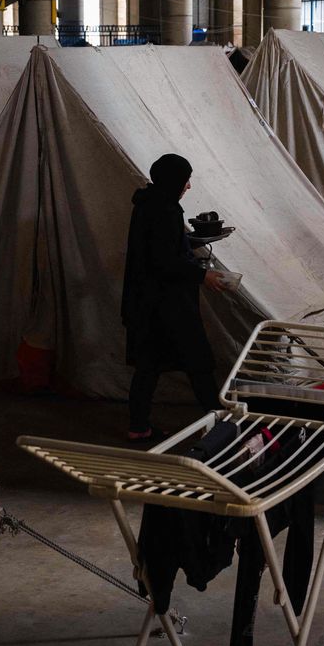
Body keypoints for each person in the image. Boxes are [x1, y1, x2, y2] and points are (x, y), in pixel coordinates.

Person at [121, 153, 226, 441]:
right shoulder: (165, 210)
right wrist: (203, 275)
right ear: (174, 180)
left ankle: (138, 427)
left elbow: (159, 246)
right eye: (186, 180)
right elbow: (164, 260)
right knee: (199, 362)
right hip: (167, 305)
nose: (188, 186)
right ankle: (220, 423)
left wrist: (187, 242)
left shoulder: (148, 203)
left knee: (149, 366)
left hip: (146, 303)